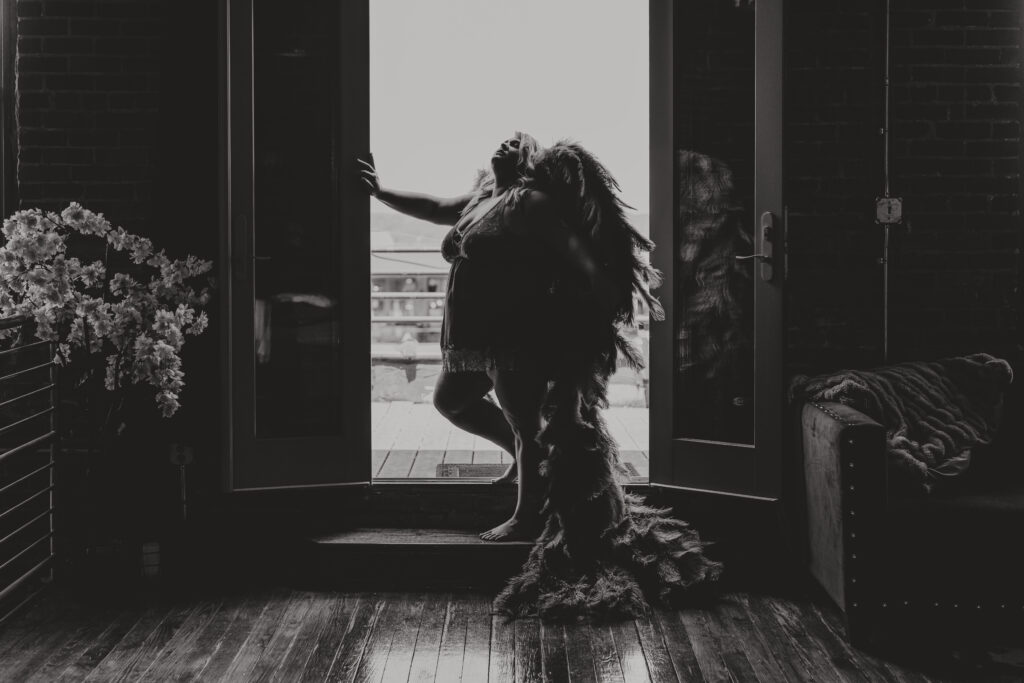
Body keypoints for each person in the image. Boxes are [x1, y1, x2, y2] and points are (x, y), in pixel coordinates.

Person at [359, 132, 612, 542]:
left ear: (530, 161)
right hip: (471, 340)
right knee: (451, 401)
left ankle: (526, 518)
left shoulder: (530, 202)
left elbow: (578, 256)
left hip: (514, 336)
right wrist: (380, 192)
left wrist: (594, 312)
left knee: (526, 424)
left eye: (517, 144)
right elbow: (434, 206)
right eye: (504, 140)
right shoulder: (480, 200)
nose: (505, 145)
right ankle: (529, 461)